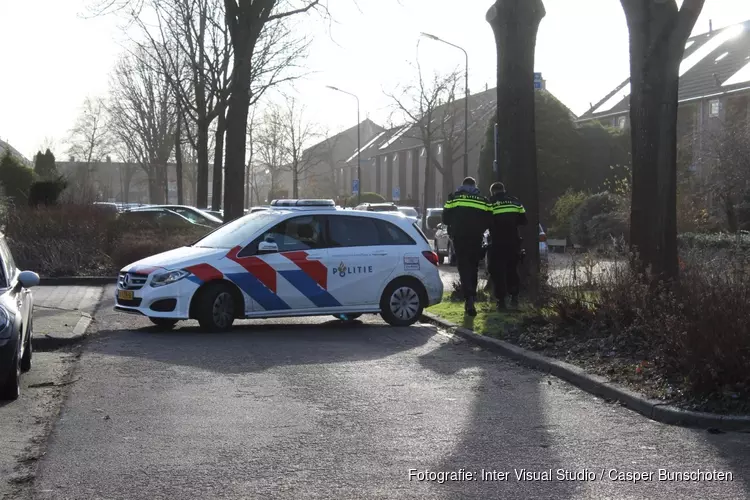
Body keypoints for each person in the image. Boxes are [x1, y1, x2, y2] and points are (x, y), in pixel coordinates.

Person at [442, 177, 491, 316]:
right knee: (474, 266)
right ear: (474, 186)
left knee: (463, 266)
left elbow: (445, 218)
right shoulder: (482, 200)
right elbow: (489, 219)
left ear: (462, 186)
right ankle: (472, 296)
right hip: (476, 237)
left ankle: (468, 297)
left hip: (459, 237)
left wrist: (455, 224)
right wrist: (479, 228)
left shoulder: (453, 198)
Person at [487, 181, 527, 310]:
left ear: (492, 192)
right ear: (504, 190)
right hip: (513, 242)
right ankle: (514, 298)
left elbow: (485, 221)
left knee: (497, 272)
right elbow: (523, 220)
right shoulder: (515, 202)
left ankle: (501, 301)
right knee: (512, 270)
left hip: (497, 242)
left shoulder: (490, 203)